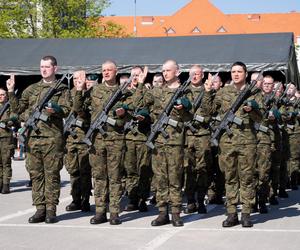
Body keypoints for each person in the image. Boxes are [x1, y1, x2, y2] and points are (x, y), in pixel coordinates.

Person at [6, 55, 71, 223]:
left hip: (52, 139)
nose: (43, 69)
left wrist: (54, 110)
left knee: (52, 175)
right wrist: (11, 91)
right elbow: (18, 110)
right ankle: (39, 209)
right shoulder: (31, 89)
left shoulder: (61, 89)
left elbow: (66, 110)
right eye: (42, 66)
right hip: (33, 139)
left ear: (55, 68)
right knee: (36, 175)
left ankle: (51, 210)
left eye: (47, 67)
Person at [204, 61, 263, 227]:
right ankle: (231, 213)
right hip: (227, 143)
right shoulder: (223, 92)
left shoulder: (254, 93)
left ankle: (246, 213)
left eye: (239, 71)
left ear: (245, 73)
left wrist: (252, 110)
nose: (236, 74)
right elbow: (208, 111)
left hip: (247, 142)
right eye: (233, 71)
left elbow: (261, 118)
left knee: (247, 178)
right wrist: (208, 92)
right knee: (229, 178)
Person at [74, 60, 128, 225]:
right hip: (97, 141)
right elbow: (79, 110)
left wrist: (122, 115)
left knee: (115, 177)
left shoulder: (123, 92)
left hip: (116, 140)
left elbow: (130, 117)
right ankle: (100, 211)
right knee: (98, 177)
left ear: (116, 71)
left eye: (109, 70)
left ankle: (114, 212)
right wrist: (79, 90)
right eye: (103, 70)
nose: (106, 73)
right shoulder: (94, 90)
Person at [150, 59, 192, 227]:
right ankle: (162, 212)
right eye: (163, 71)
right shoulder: (156, 92)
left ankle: (175, 212)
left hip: (175, 142)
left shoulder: (185, 92)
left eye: (168, 70)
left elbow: (191, 117)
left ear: (177, 71)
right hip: (159, 142)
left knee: (175, 178)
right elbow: (142, 106)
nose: (165, 73)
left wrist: (184, 109)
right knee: (160, 178)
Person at [123, 66, 153, 212]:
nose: (135, 77)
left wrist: (141, 86)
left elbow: (140, 104)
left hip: (142, 137)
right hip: (129, 137)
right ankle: (132, 198)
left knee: (143, 171)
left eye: (138, 75)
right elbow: (131, 105)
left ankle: (142, 199)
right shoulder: (125, 93)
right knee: (130, 171)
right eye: (133, 75)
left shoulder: (148, 93)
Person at [184, 65, 213, 214]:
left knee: (202, 169)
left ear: (202, 75)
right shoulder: (183, 91)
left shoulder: (208, 91)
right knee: (188, 169)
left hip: (202, 135)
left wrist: (208, 92)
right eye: (192, 74)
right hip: (187, 136)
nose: (195, 76)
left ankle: (201, 200)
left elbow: (210, 112)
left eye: (198, 74)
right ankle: (190, 200)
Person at [64, 70, 92, 213]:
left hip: (84, 139)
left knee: (85, 172)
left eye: (80, 78)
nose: (77, 80)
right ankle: (75, 199)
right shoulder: (68, 94)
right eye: (74, 78)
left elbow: (84, 113)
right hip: (70, 139)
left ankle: (85, 199)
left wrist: (80, 93)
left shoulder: (90, 94)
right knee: (73, 171)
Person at [0, 86, 18, 194]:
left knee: (6, 162)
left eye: (3, 95)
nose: (1, 97)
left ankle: (6, 184)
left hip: (6, 138)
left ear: (6, 96)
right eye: (0, 95)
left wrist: (6, 122)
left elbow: (14, 118)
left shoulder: (10, 106)